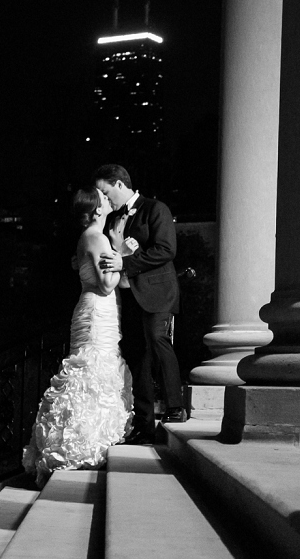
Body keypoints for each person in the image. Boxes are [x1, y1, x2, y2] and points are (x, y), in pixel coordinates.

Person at [22, 187, 133, 487]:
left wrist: (119, 253)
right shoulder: (95, 238)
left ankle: (89, 442)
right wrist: (123, 254)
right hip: (97, 309)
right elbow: (108, 284)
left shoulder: (94, 236)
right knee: (90, 372)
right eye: (104, 198)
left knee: (95, 371)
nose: (109, 201)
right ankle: (78, 447)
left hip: (98, 310)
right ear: (97, 210)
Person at [94, 163, 185, 447]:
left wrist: (127, 261)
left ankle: (175, 407)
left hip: (158, 293)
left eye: (107, 194)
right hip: (126, 296)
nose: (106, 201)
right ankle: (144, 424)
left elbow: (167, 250)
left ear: (120, 185)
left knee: (158, 341)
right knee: (137, 356)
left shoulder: (156, 209)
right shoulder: (112, 219)